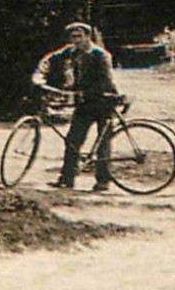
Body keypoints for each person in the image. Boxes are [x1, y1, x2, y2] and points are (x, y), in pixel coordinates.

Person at [32, 21, 120, 192]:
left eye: (79, 36)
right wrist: (39, 76)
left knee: (103, 144)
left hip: (103, 101)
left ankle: (103, 182)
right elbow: (49, 60)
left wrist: (85, 93)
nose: (76, 40)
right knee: (72, 140)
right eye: (73, 37)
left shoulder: (100, 55)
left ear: (88, 36)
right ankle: (67, 179)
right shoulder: (71, 51)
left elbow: (106, 82)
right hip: (85, 103)